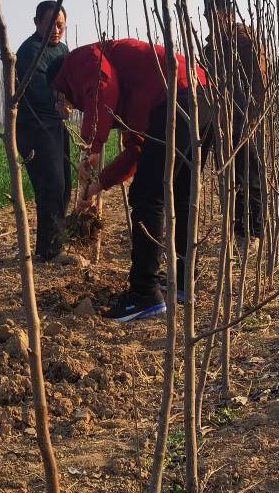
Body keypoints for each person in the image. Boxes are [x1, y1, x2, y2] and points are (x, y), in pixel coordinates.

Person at [53, 38, 208, 321]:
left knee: (147, 197)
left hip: (175, 95)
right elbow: (138, 149)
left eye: (63, 103)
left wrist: (93, 147)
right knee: (183, 193)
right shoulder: (135, 86)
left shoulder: (78, 61)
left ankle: (144, 294)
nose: (68, 108)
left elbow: (101, 84)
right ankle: (184, 283)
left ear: (59, 88)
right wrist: (99, 185)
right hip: (203, 98)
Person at [13, 0, 74, 264]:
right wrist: (63, 100)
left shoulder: (62, 49)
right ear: (37, 23)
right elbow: (38, 92)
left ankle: (53, 245)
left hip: (57, 124)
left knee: (65, 186)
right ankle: (51, 250)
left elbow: (69, 81)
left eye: (60, 25)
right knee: (52, 185)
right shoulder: (29, 52)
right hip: (35, 126)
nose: (56, 30)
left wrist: (71, 97)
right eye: (50, 24)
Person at [206, 0, 267, 241]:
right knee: (233, 175)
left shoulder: (242, 42)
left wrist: (250, 118)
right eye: (207, 18)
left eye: (215, 17)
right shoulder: (213, 46)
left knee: (248, 174)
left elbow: (259, 82)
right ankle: (239, 228)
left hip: (242, 117)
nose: (210, 23)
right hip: (222, 119)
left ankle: (253, 231)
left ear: (228, 16)